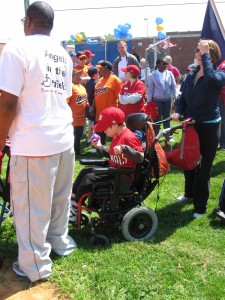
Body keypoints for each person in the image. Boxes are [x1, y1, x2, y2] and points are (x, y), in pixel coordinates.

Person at [0, 1, 76, 282]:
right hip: (63, 138)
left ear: (28, 21)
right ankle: (59, 242)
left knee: (31, 207)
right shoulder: (63, 54)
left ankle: (35, 265)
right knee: (58, 200)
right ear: (51, 25)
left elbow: (7, 103)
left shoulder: (17, 48)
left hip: (34, 142)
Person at [172, 39, 225, 218]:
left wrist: (205, 55)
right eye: (197, 49)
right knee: (189, 160)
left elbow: (210, 79)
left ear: (211, 55)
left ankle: (199, 206)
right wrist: (178, 111)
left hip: (209, 126)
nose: (198, 52)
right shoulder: (192, 73)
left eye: (201, 50)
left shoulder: (218, 74)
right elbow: (183, 98)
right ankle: (189, 194)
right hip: (192, 123)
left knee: (203, 166)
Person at [69, 106, 144, 222]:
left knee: (89, 178)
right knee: (85, 171)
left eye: (105, 128)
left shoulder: (129, 137)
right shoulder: (116, 135)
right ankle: (72, 201)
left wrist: (125, 149)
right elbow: (112, 153)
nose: (103, 131)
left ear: (114, 125)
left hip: (123, 178)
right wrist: (100, 146)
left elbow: (140, 157)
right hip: (115, 171)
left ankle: (74, 210)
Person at [94, 60, 122, 145]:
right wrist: (92, 106)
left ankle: (115, 149)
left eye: (100, 69)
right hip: (99, 112)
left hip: (110, 113)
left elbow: (120, 98)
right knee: (99, 131)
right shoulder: (100, 80)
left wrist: (119, 112)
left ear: (106, 69)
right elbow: (95, 95)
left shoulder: (115, 80)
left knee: (113, 133)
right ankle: (100, 148)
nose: (98, 71)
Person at [147, 58, 177, 136]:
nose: (165, 65)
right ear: (158, 64)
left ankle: (168, 135)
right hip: (157, 101)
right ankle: (155, 136)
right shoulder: (152, 75)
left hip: (168, 99)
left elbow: (173, 86)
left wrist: (175, 97)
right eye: (163, 64)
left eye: (166, 64)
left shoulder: (169, 74)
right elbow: (150, 90)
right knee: (157, 119)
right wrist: (149, 102)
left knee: (167, 118)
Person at [67, 70, 88, 155]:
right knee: (73, 136)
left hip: (81, 117)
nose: (80, 76)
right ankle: (72, 152)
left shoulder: (82, 87)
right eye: (77, 74)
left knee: (78, 136)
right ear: (72, 76)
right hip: (73, 118)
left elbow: (84, 100)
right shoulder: (70, 87)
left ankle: (77, 151)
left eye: (80, 74)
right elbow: (66, 102)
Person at [85, 66, 99, 144]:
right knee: (92, 124)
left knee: (91, 123)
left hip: (88, 104)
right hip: (92, 105)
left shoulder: (88, 82)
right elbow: (95, 95)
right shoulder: (96, 83)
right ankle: (90, 139)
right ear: (95, 74)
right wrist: (92, 107)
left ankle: (89, 138)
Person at [217, 59, 225, 150]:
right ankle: (222, 143)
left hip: (221, 97)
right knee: (222, 121)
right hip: (222, 98)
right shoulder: (223, 66)